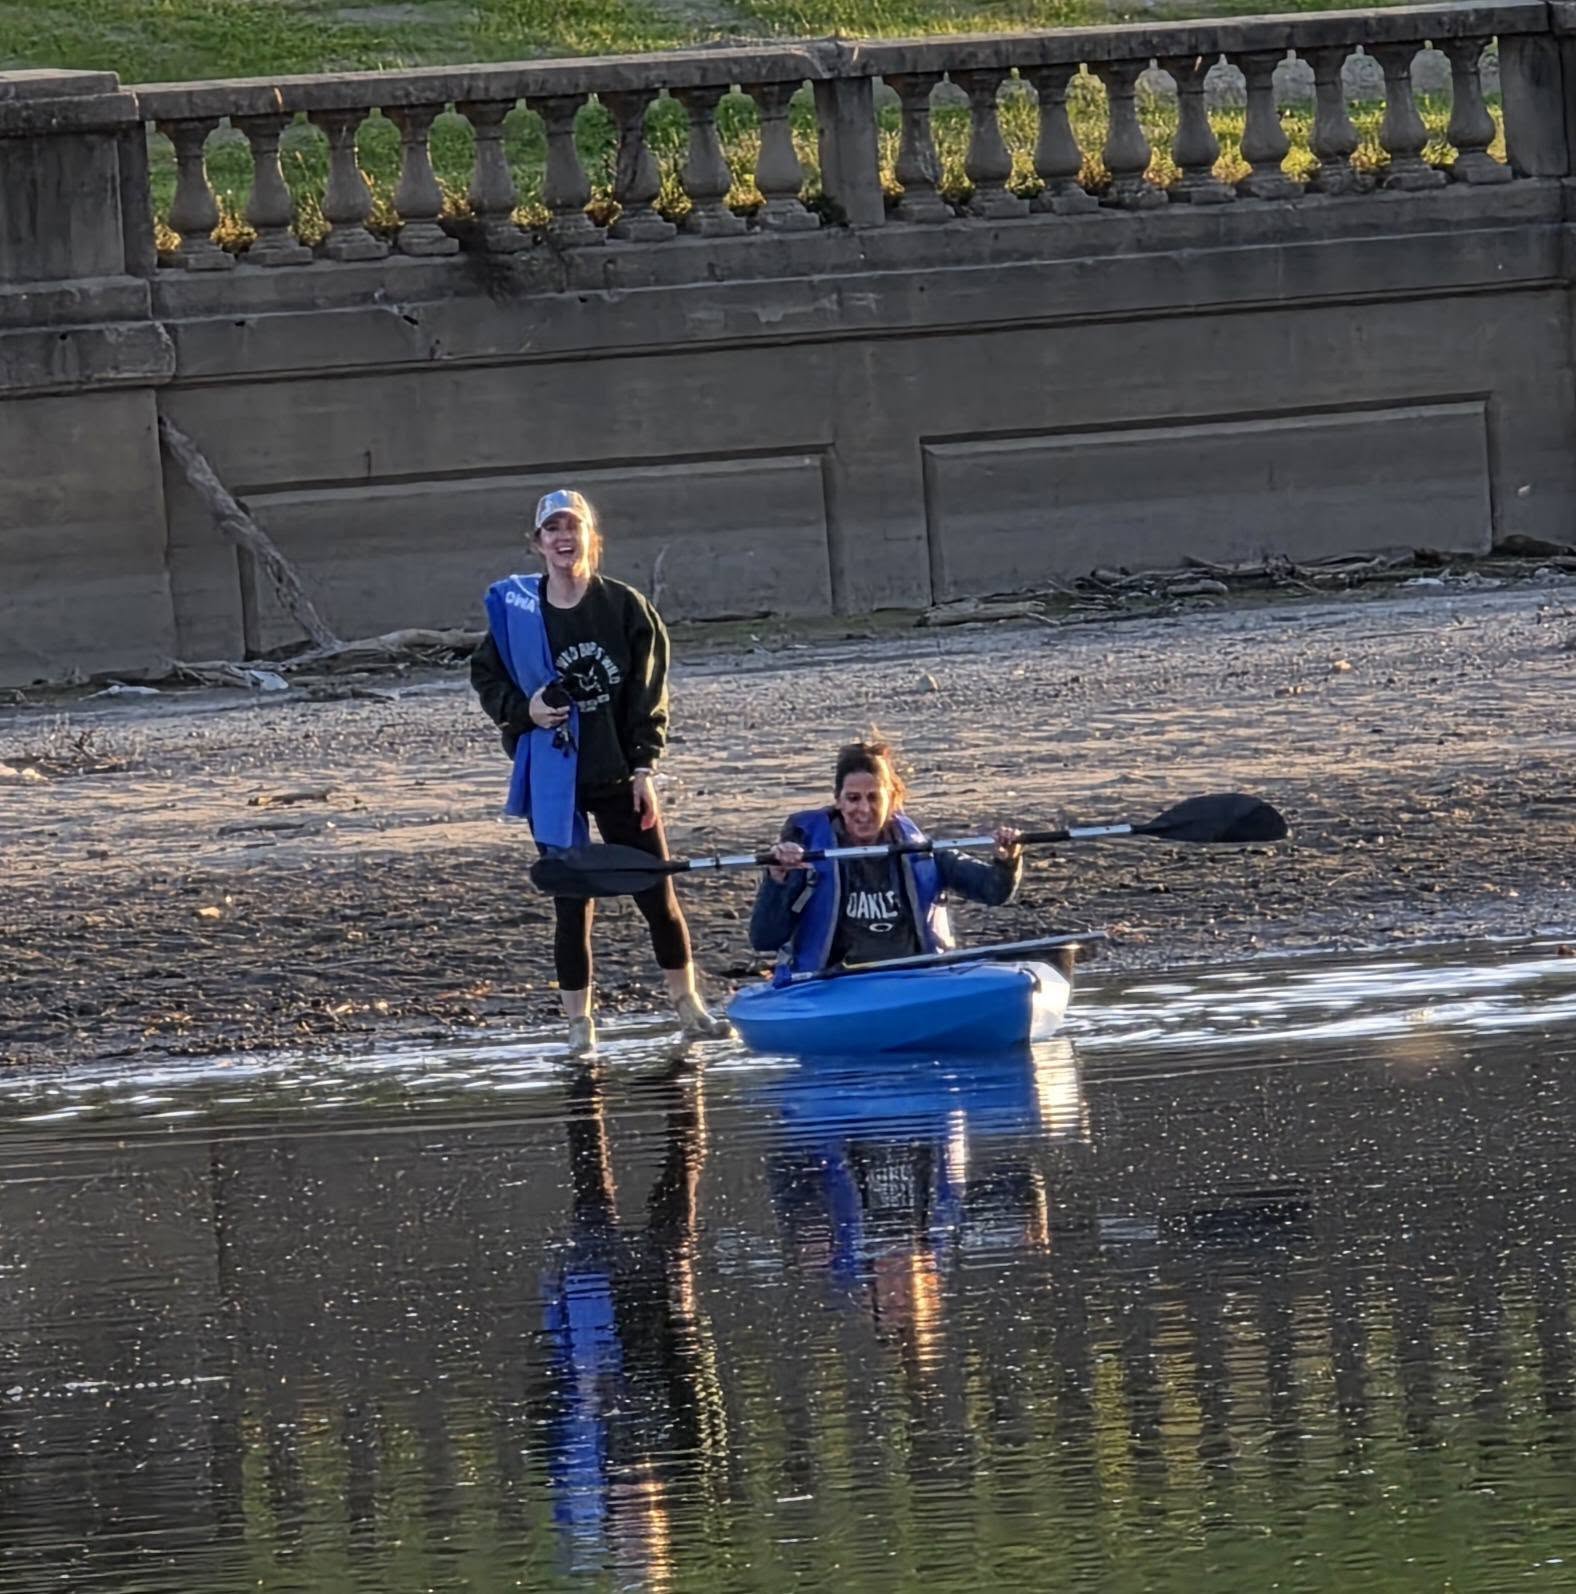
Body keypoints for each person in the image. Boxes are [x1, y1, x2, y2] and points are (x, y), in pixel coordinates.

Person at [471, 488, 728, 1054]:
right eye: (552, 529)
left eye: (574, 527)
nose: (564, 537)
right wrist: (526, 711)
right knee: (572, 904)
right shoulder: (520, 614)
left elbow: (648, 693)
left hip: (618, 774)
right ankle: (579, 1031)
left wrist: (645, 767)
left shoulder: (624, 607)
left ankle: (689, 1009)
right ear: (538, 543)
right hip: (555, 780)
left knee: (657, 894)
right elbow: (487, 679)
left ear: (592, 538)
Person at [749, 739, 1023, 976]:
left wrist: (1007, 859)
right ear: (838, 800)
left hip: (913, 981)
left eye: (874, 798)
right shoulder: (808, 855)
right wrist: (778, 880)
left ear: (891, 800)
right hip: (833, 987)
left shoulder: (920, 850)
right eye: (853, 798)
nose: (864, 809)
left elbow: (994, 891)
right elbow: (764, 938)